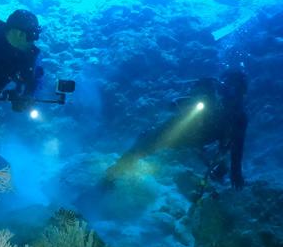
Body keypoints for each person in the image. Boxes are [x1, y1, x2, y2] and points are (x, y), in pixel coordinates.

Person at [106, 69, 248, 189]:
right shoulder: (207, 96)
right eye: (228, 89)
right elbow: (173, 105)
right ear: (221, 88)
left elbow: (237, 146)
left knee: (219, 170)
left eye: (237, 92)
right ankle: (113, 175)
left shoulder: (239, 118)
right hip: (179, 133)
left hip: (198, 141)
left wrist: (236, 172)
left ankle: (115, 174)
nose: (231, 96)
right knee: (145, 142)